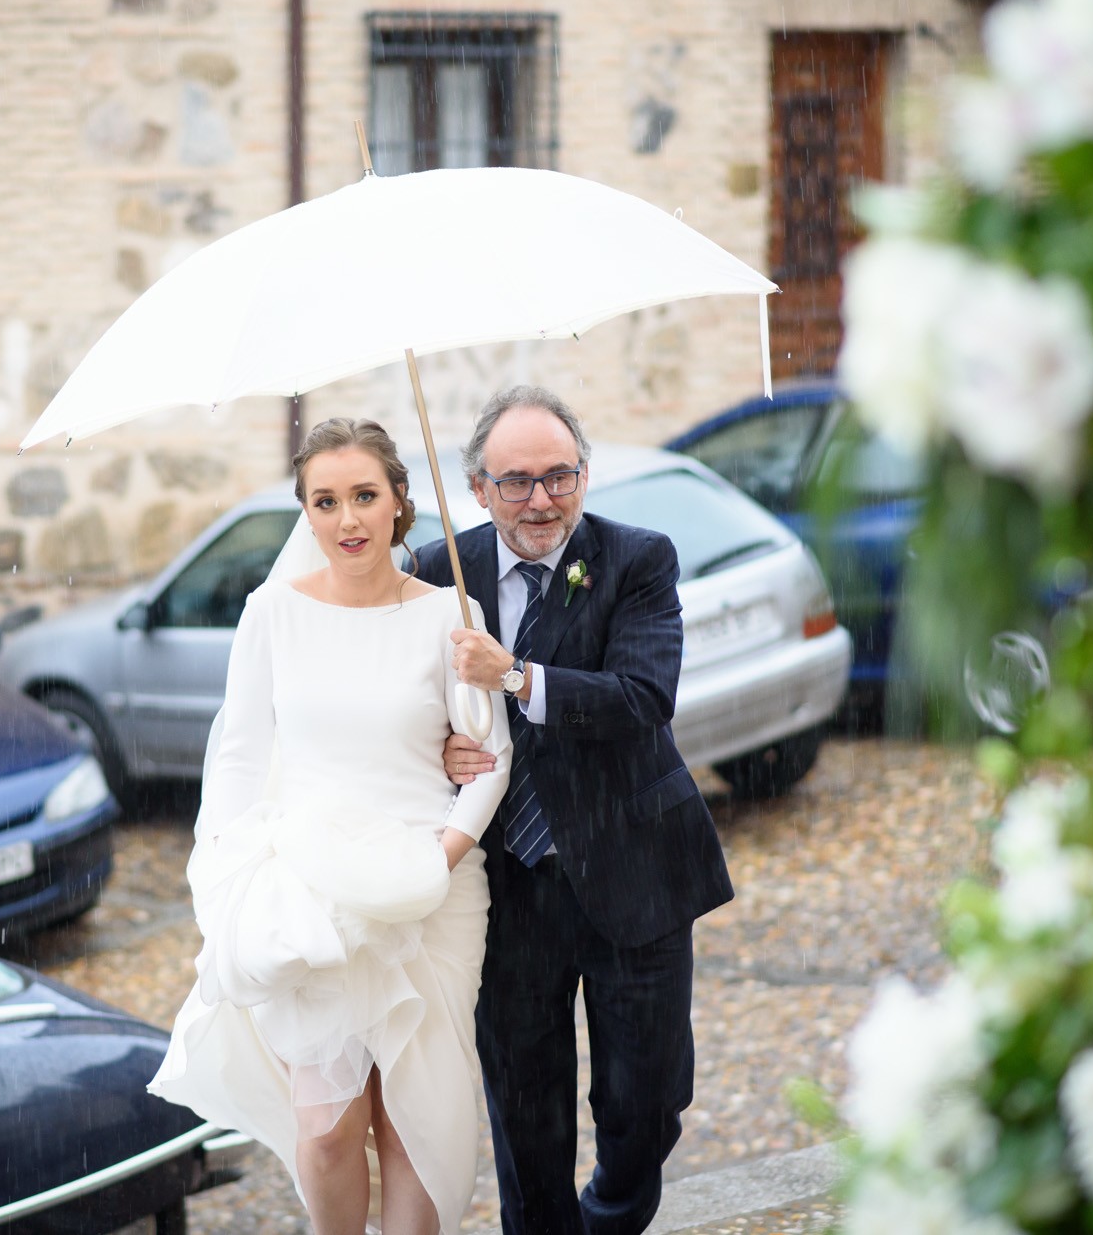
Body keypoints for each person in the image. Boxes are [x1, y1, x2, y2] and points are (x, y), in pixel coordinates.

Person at [150, 417, 512, 1235]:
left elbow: (492, 757)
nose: (347, 518)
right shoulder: (271, 612)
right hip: (313, 888)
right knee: (326, 1126)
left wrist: (443, 855)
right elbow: (239, 756)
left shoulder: (448, 612)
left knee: (415, 1120)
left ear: (398, 501)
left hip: (432, 888)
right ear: (306, 512)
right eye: (325, 500)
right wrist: (228, 874)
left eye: (364, 495)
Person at [418, 385, 734, 1234]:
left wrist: (517, 677)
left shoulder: (638, 559)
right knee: (527, 1117)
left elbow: (642, 697)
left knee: (647, 1103)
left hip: (635, 870)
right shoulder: (436, 573)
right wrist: (436, 750)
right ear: (478, 487)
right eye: (516, 481)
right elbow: (401, 714)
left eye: (560, 475)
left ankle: (609, 1216)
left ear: (585, 475)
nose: (541, 499)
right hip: (507, 890)